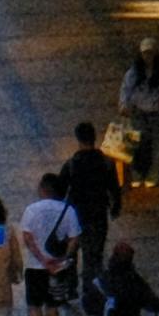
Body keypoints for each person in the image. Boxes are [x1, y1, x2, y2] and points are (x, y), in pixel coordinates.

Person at [17, 172, 80, 316]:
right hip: (58, 269)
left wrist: (43, 259)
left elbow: (28, 238)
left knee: (34, 304)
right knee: (53, 305)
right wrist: (63, 258)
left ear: (43, 189)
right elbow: (74, 238)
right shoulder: (68, 211)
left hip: (35, 267)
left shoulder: (32, 210)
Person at [58, 122, 124, 304]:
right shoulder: (106, 163)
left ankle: (70, 289)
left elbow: (59, 190)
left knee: (70, 254)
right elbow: (115, 190)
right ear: (94, 138)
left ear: (78, 139)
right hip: (97, 216)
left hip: (75, 216)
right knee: (93, 257)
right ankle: (90, 292)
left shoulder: (71, 165)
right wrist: (115, 208)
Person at [118, 38, 159, 180]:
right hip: (139, 112)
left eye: (150, 53)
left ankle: (153, 175)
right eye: (145, 53)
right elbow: (126, 89)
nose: (147, 57)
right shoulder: (134, 72)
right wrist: (124, 104)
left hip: (157, 112)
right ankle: (137, 175)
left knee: (157, 145)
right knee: (137, 145)